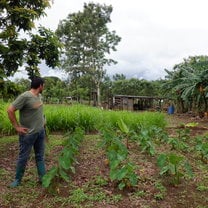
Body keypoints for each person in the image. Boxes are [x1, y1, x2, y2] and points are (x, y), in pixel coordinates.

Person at [7, 76, 46, 187]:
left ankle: (43, 179)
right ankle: (17, 180)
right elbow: (10, 110)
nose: (44, 87)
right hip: (28, 134)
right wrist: (17, 127)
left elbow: (37, 110)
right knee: (23, 156)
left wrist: (43, 121)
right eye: (43, 86)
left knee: (40, 156)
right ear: (40, 86)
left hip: (40, 132)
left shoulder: (38, 96)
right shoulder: (25, 96)